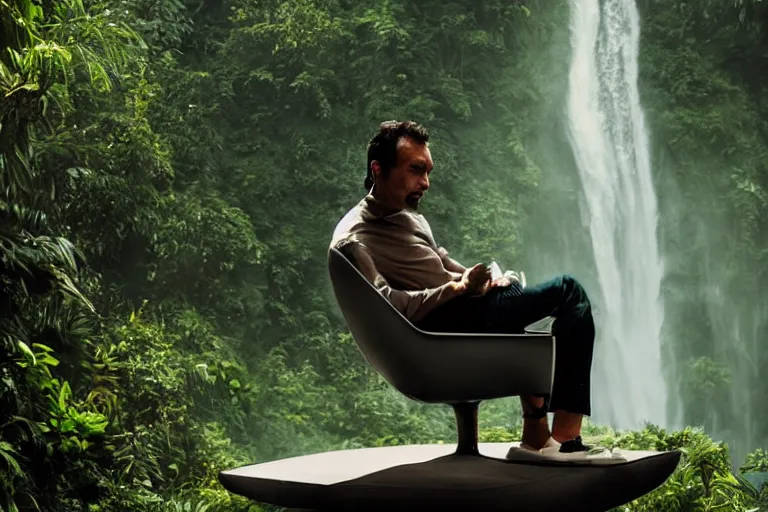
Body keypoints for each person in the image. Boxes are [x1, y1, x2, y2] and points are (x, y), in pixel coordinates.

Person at [330, 120, 623, 463]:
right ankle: (566, 439)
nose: (425, 182)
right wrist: (456, 288)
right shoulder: (357, 239)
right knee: (569, 293)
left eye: (428, 171)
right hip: (442, 328)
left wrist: (475, 279)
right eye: (415, 170)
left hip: (464, 307)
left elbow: (440, 261)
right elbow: (392, 308)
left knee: (519, 298)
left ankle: (537, 438)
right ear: (377, 170)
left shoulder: (405, 213)